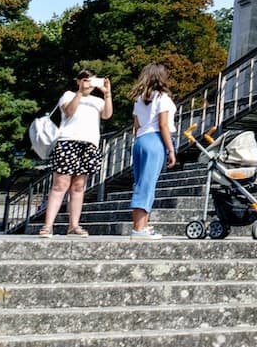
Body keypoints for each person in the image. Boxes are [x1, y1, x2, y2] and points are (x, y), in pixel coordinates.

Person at [39, 69, 113, 237]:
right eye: (86, 80)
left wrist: (107, 94)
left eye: (92, 81)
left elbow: (107, 115)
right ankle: (48, 225)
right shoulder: (68, 95)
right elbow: (68, 111)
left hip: (89, 143)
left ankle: (74, 225)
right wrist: (80, 92)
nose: (89, 84)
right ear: (78, 81)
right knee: (60, 185)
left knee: (79, 186)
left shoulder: (97, 101)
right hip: (68, 141)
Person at [129, 64, 177, 238]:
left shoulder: (139, 99)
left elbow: (136, 125)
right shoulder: (162, 98)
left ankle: (143, 224)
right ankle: (139, 228)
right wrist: (171, 150)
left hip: (141, 139)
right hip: (155, 140)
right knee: (147, 184)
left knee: (141, 182)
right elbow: (163, 124)